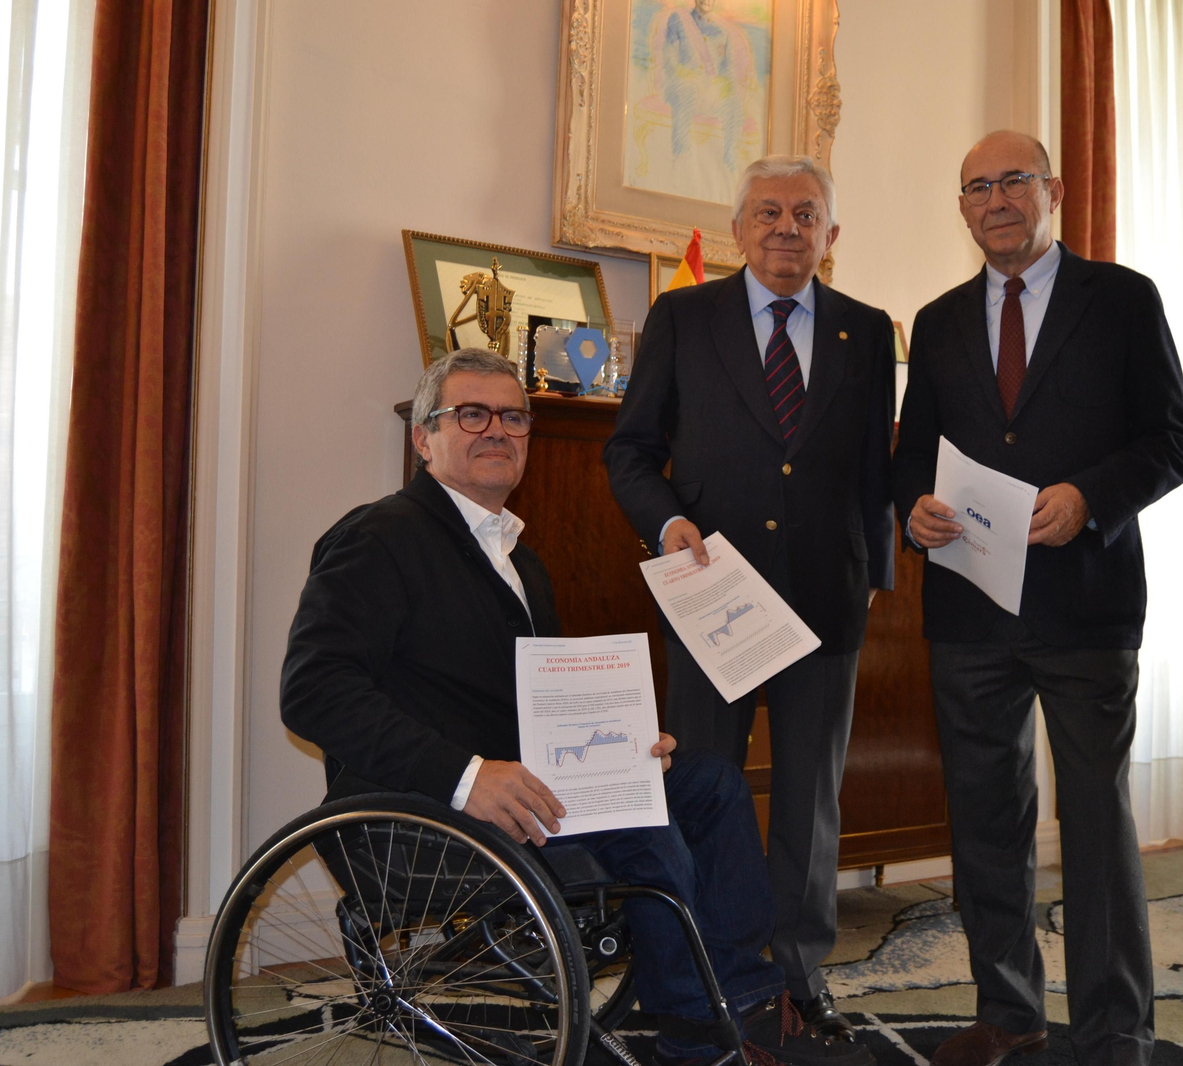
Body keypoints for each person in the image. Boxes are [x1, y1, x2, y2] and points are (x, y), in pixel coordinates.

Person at [280, 349, 873, 1066]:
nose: (496, 429)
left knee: (711, 783)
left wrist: (620, 736)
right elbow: (312, 690)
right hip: (427, 810)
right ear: (423, 438)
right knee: (636, 818)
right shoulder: (378, 536)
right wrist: (469, 776)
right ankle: (702, 1035)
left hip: (531, 787)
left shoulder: (522, 561)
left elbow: (546, 702)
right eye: (470, 413)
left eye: (513, 416)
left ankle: (742, 1005)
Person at [891, 131, 1183, 1066]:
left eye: (1012, 180)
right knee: (985, 819)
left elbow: (1171, 441)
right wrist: (914, 515)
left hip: (1086, 605)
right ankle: (1008, 1011)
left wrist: (1090, 498)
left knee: (1097, 823)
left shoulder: (1123, 299)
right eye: (975, 186)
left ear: (1052, 190)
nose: (995, 200)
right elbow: (912, 455)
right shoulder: (937, 321)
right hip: (971, 609)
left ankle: (1115, 1031)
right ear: (963, 208)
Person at [604, 155, 896, 1041]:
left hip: (823, 608)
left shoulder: (867, 329)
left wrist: (872, 580)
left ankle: (799, 979)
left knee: (811, 804)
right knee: (703, 791)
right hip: (711, 608)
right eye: (767, 212)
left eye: (806, 214)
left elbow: (875, 476)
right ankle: (693, 975)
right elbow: (629, 451)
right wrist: (666, 525)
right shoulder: (683, 316)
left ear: (831, 236)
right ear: (738, 230)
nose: (786, 228)